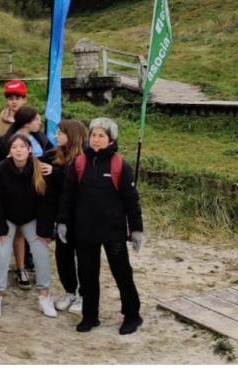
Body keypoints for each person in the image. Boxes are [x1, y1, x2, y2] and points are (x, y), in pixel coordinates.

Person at [57, 117, 144, 335]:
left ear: (111, 139)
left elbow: (131, 200)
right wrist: (63, 222)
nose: (96, 140)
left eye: (101, 136)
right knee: (87, 274)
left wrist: (136, 230)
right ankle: (90, 316)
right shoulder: (79, 163)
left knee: (122, 273)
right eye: (93, 135)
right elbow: (68, 196)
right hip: (84, 230)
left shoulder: (120, 165)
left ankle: (132, 315)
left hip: (113, 230)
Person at [0, 134, 59, 319]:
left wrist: (45, 231)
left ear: (29, 149)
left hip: (31, 218)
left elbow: (47, 202)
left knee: (41, 251)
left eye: (22, 146)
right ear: (9, 151)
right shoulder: (0, 170)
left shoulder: (39, 169)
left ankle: (44, 295)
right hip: (7, 218)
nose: (18, 150)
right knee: (2, 253)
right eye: (14, 147)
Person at [42, 118, 87, 315]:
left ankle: (84, 294)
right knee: (63, 254)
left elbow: (77, 186)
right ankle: (70, 290)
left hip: (81, 215)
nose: (55, 136)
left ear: (71, 135)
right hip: (60, 215)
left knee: (84, 257)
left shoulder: (84, 159)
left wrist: (56, 173)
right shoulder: (54, 154)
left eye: (59, 132)